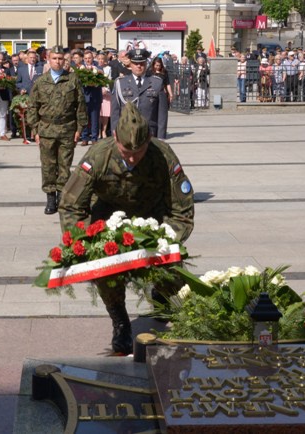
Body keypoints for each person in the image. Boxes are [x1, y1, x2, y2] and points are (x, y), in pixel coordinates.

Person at [58, 102, 194, 355]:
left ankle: (164, 300)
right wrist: (88, 239)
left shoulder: (163, 156)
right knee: (107, 272)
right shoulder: (99, 156)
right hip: (109, 219)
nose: (132, 158)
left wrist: (164, 239)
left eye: (138, 152)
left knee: (172, 272)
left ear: (149, 140)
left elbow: (182, 212)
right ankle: (119, 321)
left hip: (152, 219)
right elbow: (70, 205)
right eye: (125, 152)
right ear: (114, 137)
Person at [27, 45, 88, 215]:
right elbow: (32, 106)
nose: (58, 61)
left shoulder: (72, 79)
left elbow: (80, 105)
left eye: (61, 58)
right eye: (54, 58)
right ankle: (50, 198)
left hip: (67, 129)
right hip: (46, 129)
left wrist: (80, 128)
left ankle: (62, 197)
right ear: (48, 59)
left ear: (65, 60)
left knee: (64, 165)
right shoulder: (41, 81)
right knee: (48, 165)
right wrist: (35, 129)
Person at [111, 48, 167, 140]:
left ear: (146, 64)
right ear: (130, 64)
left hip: (149, 134)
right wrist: (115, 132)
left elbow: (162, 113)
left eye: (141, 63)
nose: (139, 66)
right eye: (135, 63)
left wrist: (161, 137)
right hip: (126, 133)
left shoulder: (157, 83)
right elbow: (115, 112)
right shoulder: (120, 83)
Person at [79, 50, 102, 146]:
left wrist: (96, 72)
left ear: (93, 58)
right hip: (85, 96)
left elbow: (102, 77)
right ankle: (84, 138)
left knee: (94, 118)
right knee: (85, 118)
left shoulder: (98, 67)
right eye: (86, 58)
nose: (88, 60)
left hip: (95, 96)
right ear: (84, 59)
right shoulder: (81, 68)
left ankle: (94, 137)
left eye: (89, 58)